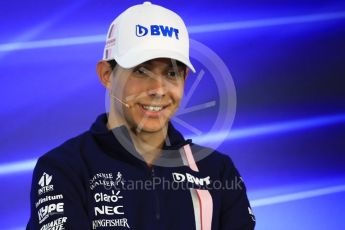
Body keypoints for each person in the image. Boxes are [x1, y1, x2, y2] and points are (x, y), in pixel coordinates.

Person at [27, 2, 255, 230]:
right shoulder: (63, 168)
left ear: (184, 79)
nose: (158, 89)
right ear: (107, 75)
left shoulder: (219, 172)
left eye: (172, 73)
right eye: (141, 70)